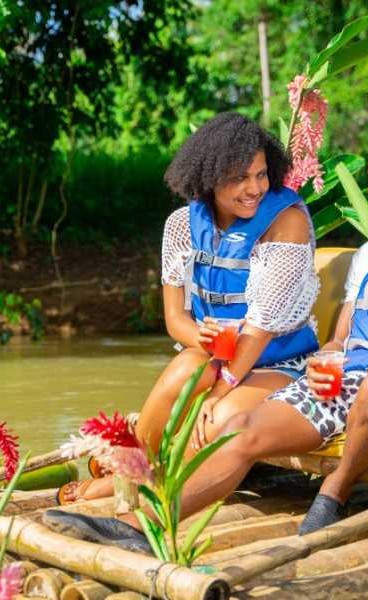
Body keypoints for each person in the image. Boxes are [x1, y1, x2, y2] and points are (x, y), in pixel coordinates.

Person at [44, 124, 368, 551]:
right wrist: (326, 358)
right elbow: (342, 339)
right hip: (356, 383)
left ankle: (332, 497)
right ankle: (141, 525)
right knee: (237, 427)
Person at [58, 112, 320, 504]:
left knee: (216, 419)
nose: (255, 189)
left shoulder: (287, 222)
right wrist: (199, 336)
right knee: (184, 368)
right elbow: (175, 319)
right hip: (219, 356)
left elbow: (262, 327)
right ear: (209, 176)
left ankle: (121, 484)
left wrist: (220, 390)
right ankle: (132, 465)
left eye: (262, 175)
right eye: (240, 178)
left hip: (281, 364)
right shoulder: (182, 224)